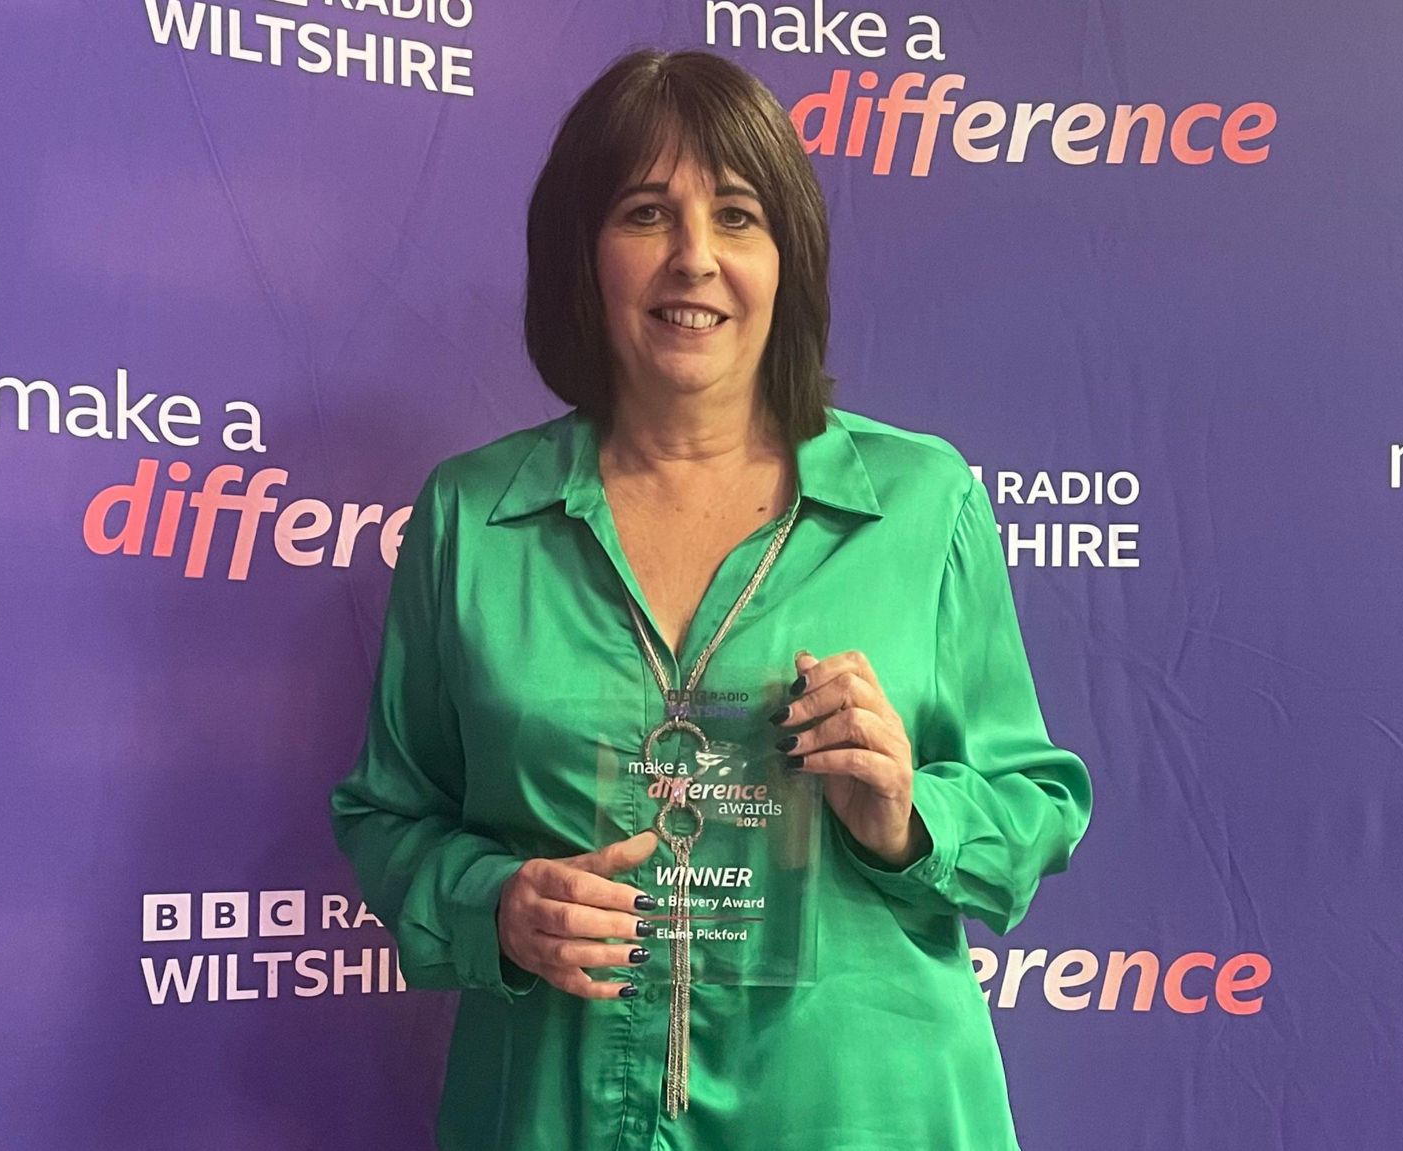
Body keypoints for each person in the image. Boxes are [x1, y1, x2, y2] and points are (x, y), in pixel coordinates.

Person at [331, 48, 1091, 1151]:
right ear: (581, 254)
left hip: (861, 1112)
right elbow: (386, 816)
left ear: (786, 260)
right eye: (646, 212)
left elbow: (1035, 800)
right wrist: (491, 903)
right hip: (559, 1110)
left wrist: (905, 814)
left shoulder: (921, 505)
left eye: (736, 216)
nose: (693, 258)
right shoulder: (469, 517)